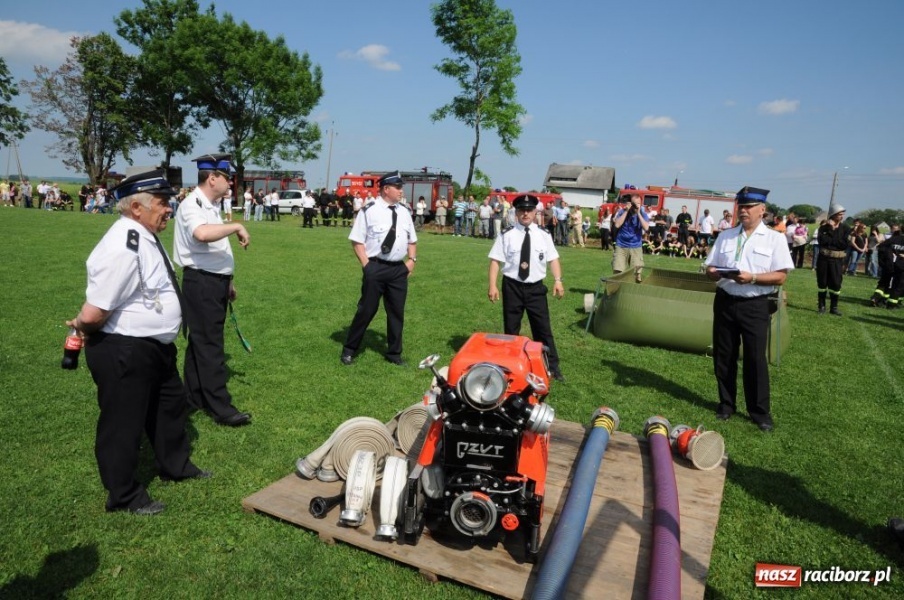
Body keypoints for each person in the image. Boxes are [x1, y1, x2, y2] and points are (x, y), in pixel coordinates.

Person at [66, 170, 209, 515]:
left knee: (169, 409)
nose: (169, 209)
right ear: (136, 208)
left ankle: (175, 465)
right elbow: (96, 309)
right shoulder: (122, 244)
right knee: (123, 423)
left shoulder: (142, 234)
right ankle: (124, 494)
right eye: (162, 203)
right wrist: (82, 325)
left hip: (153, 348)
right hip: (125, 349)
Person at [704, 186, 794, 432]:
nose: (743, 211)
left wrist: (752, 277)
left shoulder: (775, 238)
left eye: (749, 207)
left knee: (755, 359)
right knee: (724, 356)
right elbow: (710, 267)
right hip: (725, 301)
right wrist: (711, 272)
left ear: (762, 210)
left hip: (754, 305)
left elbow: (781, 276)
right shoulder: (726, 235)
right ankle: (726, 404)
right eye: (740, 206)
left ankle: (759, 412)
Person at [173, 153, 252, 426]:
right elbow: (203, 234)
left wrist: (227, 281)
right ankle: (221, 408)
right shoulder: (192, 204)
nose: (230, 182)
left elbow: (215, 247)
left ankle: (192, 398)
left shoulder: (210, 205)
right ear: (213, 177)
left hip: (213, 281)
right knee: (211, 347)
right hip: (201, 282)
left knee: (200, 344)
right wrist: (237, 226)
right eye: (227, 177)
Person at [340, 171, 417, 366]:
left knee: (396, 313)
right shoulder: (370, 210)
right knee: (366, 310)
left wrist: (412, 260)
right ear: (386, 189)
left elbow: (412, 240)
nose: (401, 191)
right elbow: (357, 241)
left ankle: (394, 354)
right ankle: (349, 349)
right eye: (398, 187)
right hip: (376, 267)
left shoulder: (404, 211)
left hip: (398, 270)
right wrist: (367, 266)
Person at [487, 194, 565, 382]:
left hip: (535, 289)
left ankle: (552, 367)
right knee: (511, 330)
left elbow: (553, 258)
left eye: (529, 210)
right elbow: (496, 261)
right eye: (522, 210)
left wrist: (558, 280)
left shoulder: (543, 235)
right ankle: (510, 367)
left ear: (535, 212)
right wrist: (492, 285)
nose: (525, 213)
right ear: (516, 212)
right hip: (512, 287)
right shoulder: (507, 235)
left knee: (543, 329)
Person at [816, 203, 850, 316]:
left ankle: (834, 307)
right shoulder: (823, 228)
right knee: (822, 283)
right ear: (833, 215)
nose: (842, 216)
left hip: (837, 260)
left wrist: (832, 237)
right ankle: (821, 306)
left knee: (836, 283)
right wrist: (831, 229)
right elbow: (823, 241)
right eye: (840, 214)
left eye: (843, 214)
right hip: (824, 259)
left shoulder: (846, 228)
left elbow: (844, 244)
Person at [613, 193, 650, 283]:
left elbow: (646, 228)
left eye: (638, 204)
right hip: (621, 245)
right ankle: (615, 292)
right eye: (634, 204)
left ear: (641, 204)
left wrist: (638, 214)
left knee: (637, 273)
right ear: (630, 203)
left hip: (636, 246)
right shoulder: (623, 211)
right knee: (618, 271)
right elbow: (617, 224)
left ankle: (635, 292)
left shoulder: (643, 213)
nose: (635, 206)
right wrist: (626, 211)